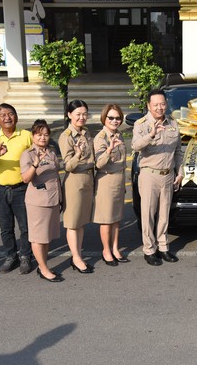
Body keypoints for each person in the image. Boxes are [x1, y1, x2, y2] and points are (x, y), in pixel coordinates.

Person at [132, 89, 183, 266]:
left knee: (164, 214)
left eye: (162, 104)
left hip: (168, 175)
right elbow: (136, 145)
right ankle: (149, 249)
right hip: (149, 174)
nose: (160, 108)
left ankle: (163, 247)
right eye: (156, 105)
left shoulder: (173, 123)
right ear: (148, 106)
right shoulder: (141, 124)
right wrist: (151, 134)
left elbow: (178, 151)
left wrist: (180, 171)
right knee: (148, 214)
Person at [0, 103, 33, 274]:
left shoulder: (26, 135)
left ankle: (26, 256)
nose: (7, 118)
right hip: (1, 189)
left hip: (22, 188)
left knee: (26, 226)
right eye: (3, 115)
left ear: (16, 116)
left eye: (11, 114)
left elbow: (39, 152)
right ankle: (10, 257)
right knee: (6, 227)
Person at [20, 119, 64, 282]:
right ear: (33, 136)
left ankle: (42, 265)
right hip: (38, 202)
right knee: (38, 237)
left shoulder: (51, 151)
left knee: (46, 236)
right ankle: (44, 269)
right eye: (39, 134)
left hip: (52, 199)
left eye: (46, 135)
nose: (43, 138)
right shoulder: (28, 154)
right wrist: (35, 164)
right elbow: (25, 178)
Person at [59, 99, 95, 273]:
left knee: (81, 221)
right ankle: (76, 258)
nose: (82, 117)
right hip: (74, 180)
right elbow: (67, 166)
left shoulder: (86, 132)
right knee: (73, 222)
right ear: (69, 115)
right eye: (78, 114)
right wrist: (78, 154)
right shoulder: (66, 136)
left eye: (84, 114)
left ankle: (78, 253)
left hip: (88, 178)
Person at [93, 104, 129, 266]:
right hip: (106, 181)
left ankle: (115, 248)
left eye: (118, 118)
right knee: (106, 219)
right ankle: (106, 250)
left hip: (119, 180)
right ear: (104, 118)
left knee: (116, 218)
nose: (115, 121)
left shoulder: (118, 135)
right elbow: (99, 164)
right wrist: (109, 150)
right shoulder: (101, 138)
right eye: (111, 118)